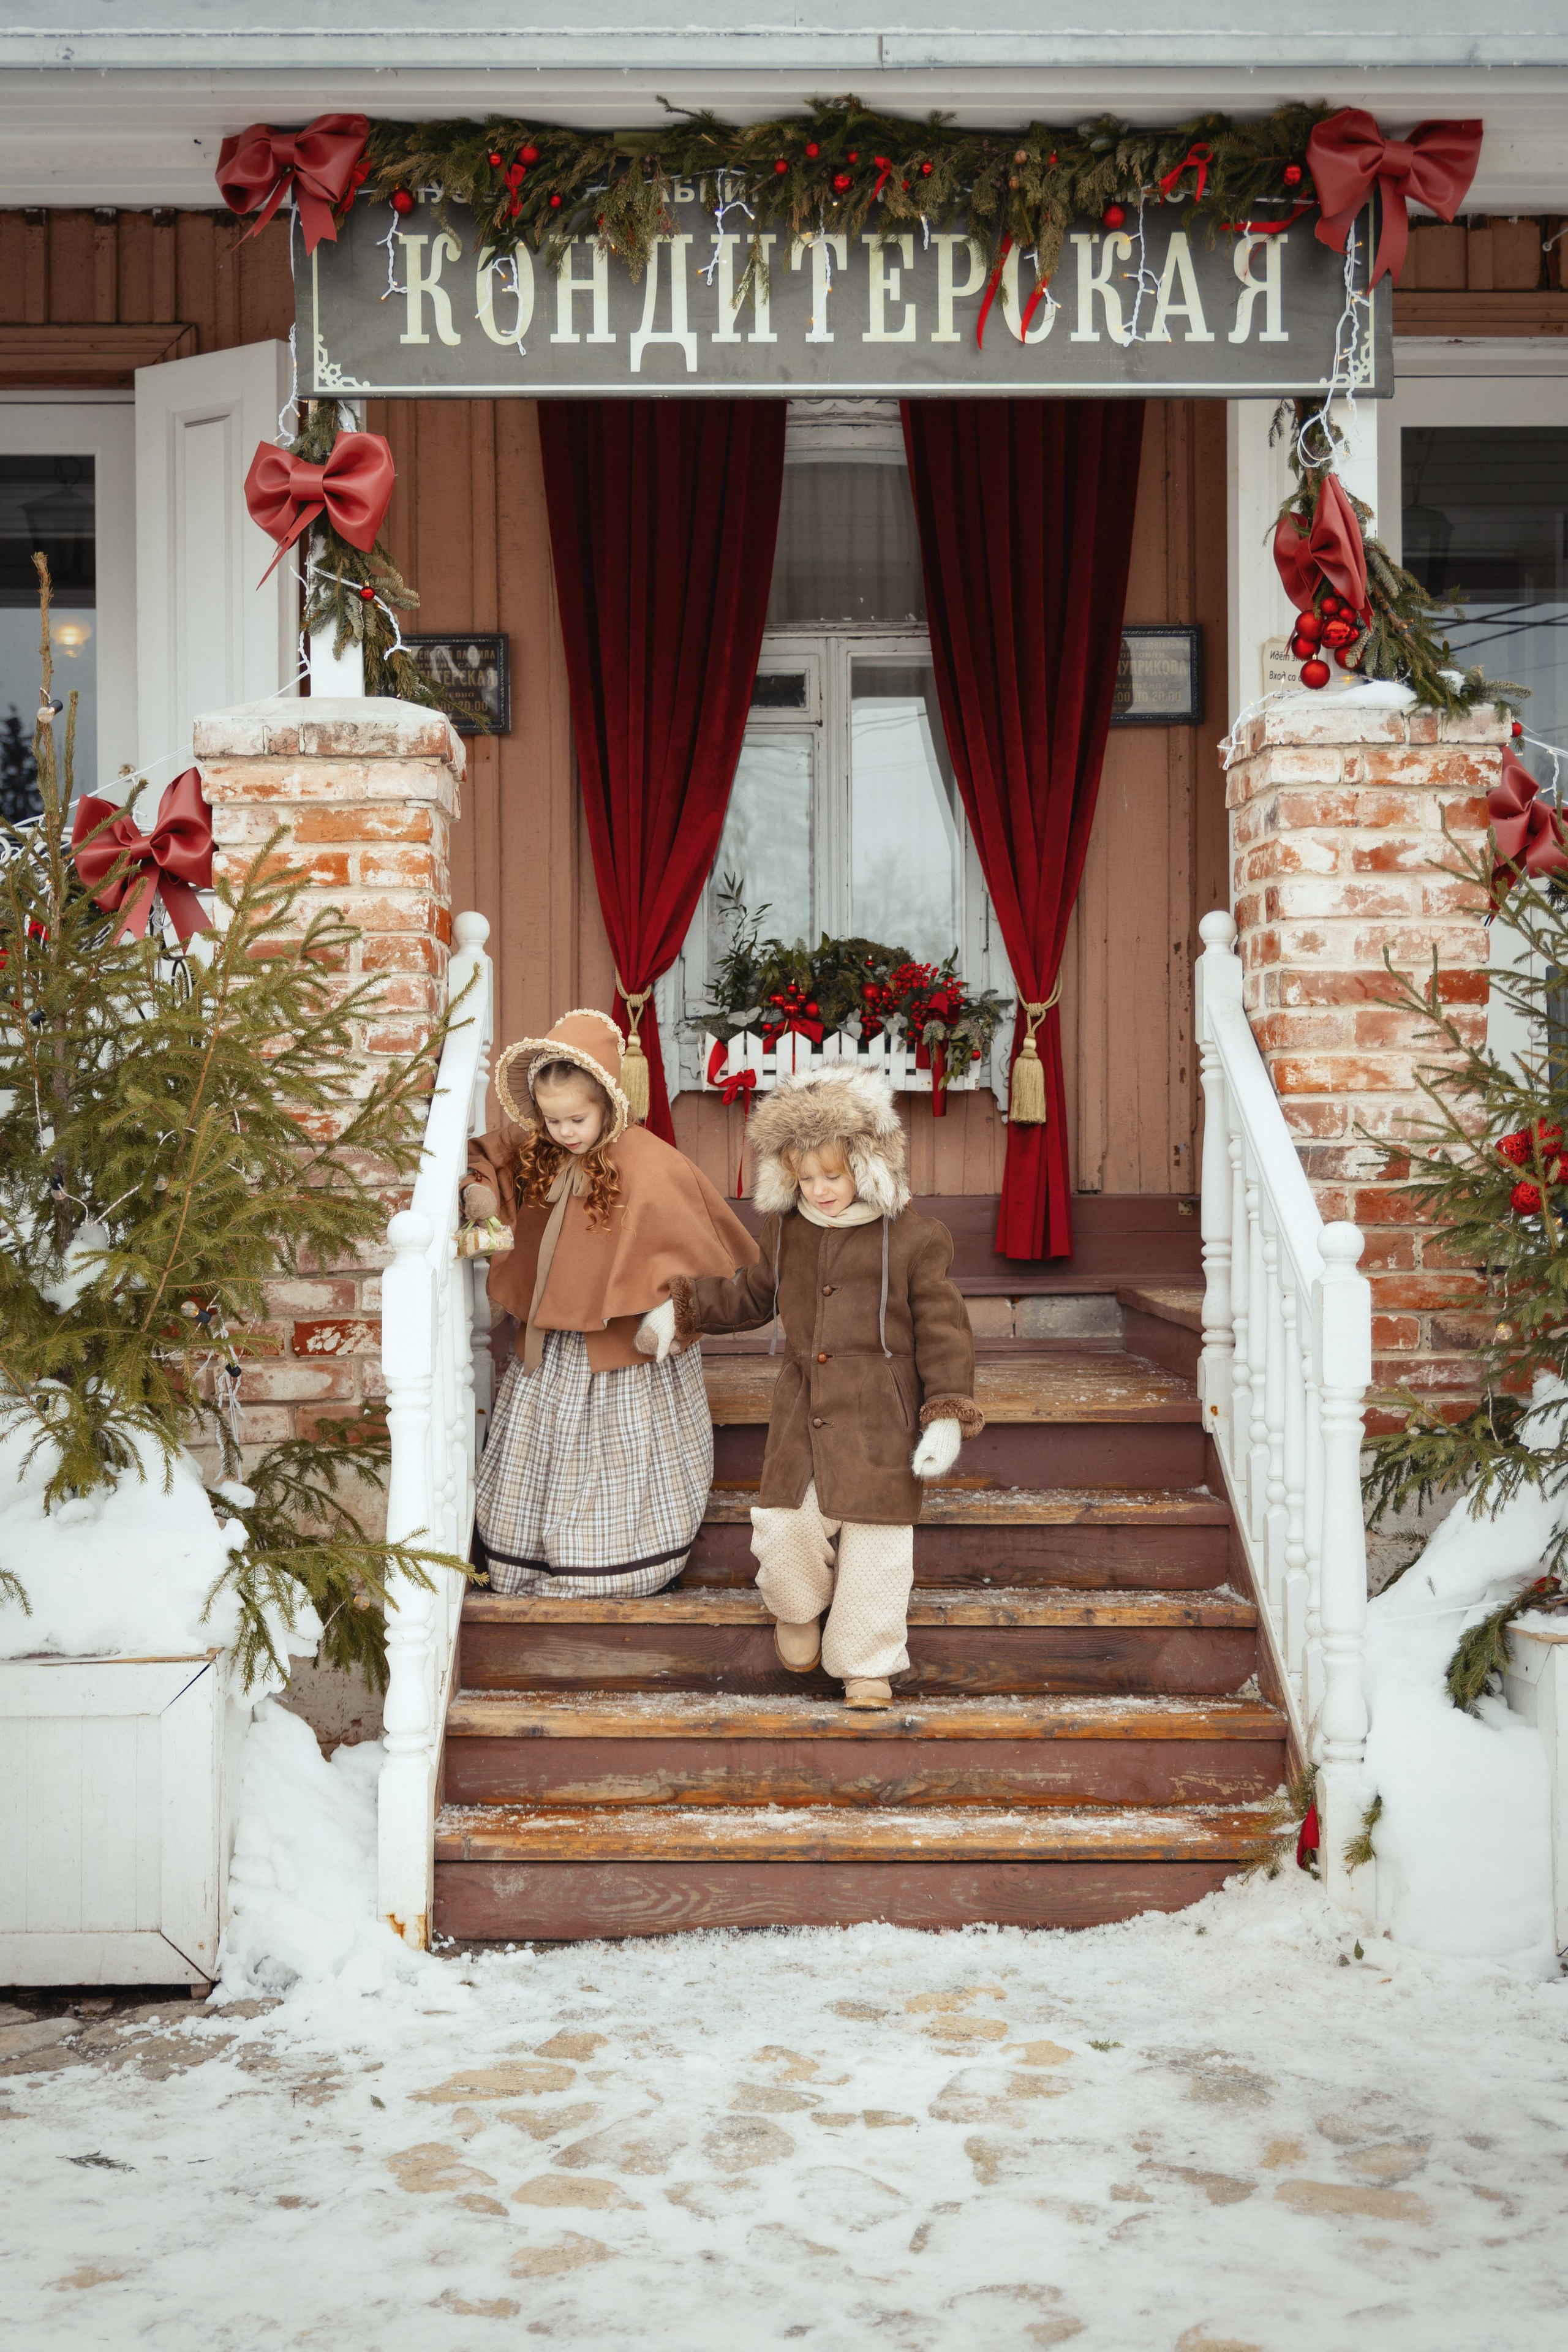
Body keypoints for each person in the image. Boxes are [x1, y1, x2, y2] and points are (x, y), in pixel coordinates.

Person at [671, 1064, 982, 1709]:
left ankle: (866, 1664)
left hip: (882, 1416)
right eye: (805, 1178)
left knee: (877, 1543)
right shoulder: (789, 1231)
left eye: (833, 1176)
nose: (820, 1190)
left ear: (867, 1164)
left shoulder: (916, 1239)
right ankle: (797, 1607)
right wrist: (683, 1311)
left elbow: (943, 1328)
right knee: (783, 1526)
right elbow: (753, 1295)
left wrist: (945, 1412)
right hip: (805, 1408)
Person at [459, 1008, 758, 1597]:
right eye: (553, 1119)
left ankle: (607, 1563)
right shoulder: (539, 1145)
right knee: (542, 1444)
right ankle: (526, 1557)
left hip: (624, 1354)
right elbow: (481, 1155)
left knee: (613, 1455)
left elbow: (712, 1253)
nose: (566, 1132)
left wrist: (676, 1308)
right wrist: (479, 1192)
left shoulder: (650, 1164)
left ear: (608, 1103)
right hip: (553, 1349)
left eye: (578, 1119)